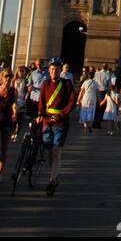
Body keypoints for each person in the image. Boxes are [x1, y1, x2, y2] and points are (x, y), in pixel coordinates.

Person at [37, 58, 75, 197]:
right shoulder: (45, 84)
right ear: (49, 70)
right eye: (52, 69)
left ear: (60, 71)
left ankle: (52, 180)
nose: (54, 71)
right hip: (47, 121)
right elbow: (41, 102)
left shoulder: (66, 84)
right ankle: (54, 174)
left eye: (56, 69)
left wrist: (61, 115)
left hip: (60, 122)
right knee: (49, 149)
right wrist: (40, 115)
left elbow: (71, 102)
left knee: (56, 150)